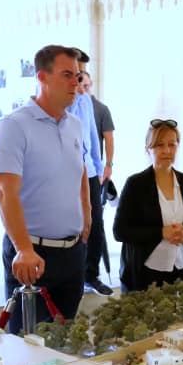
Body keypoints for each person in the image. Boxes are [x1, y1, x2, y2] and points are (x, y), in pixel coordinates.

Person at [0, 44, 91, 333]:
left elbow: (81, 169)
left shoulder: (74, 124)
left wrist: (86, 214)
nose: (76, 83)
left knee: (65, 340)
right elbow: (4, 192)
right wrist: (23, 249)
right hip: (33, 254)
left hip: (72, 253)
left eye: (78, 76)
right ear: (42, 77)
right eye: (67, 75)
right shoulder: (14, 125)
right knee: (28, 344)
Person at [113, 119, 183, 292]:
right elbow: (120, 231)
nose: (167, 150)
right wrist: (161, 232)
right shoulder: (135, 184)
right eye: (160, 145)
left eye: (172, 145)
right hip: (146, 274)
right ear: (148, 148)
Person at [69, 51, 112, 296]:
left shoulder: (86, 101)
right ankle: (74, 276)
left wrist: (99, 166)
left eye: (82, 73)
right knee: (74, 225)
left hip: (91, 171)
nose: (80, 79)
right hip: (68, 174)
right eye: (76, 74)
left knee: (96, 223)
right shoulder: (64, 102)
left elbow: (93, 137)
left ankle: (91, 275)